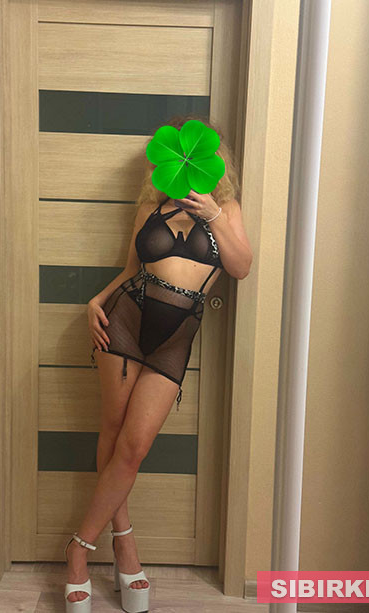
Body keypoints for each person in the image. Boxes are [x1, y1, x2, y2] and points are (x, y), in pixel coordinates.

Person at [63, 114, 253, 612]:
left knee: (134, 447)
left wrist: (213, 213)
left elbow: (241, 266)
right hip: (125, 319)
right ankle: (117, 548)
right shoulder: (152, 204)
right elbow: (131, 268)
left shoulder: (227, 208)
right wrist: (95, 300)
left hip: (176, 337)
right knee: (112, 433)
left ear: (211, 157)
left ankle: (79, 544)